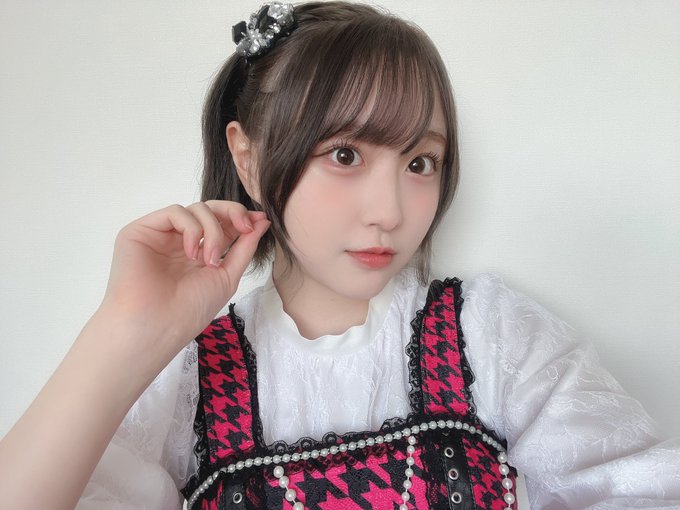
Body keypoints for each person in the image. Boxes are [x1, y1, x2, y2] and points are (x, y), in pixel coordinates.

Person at [0, 1, 678, 509]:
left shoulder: (491, 335)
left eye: (420, 162)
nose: (391, 210)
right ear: (248, 158)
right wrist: (125, 329)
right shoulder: (189, 376)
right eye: (346, 155)